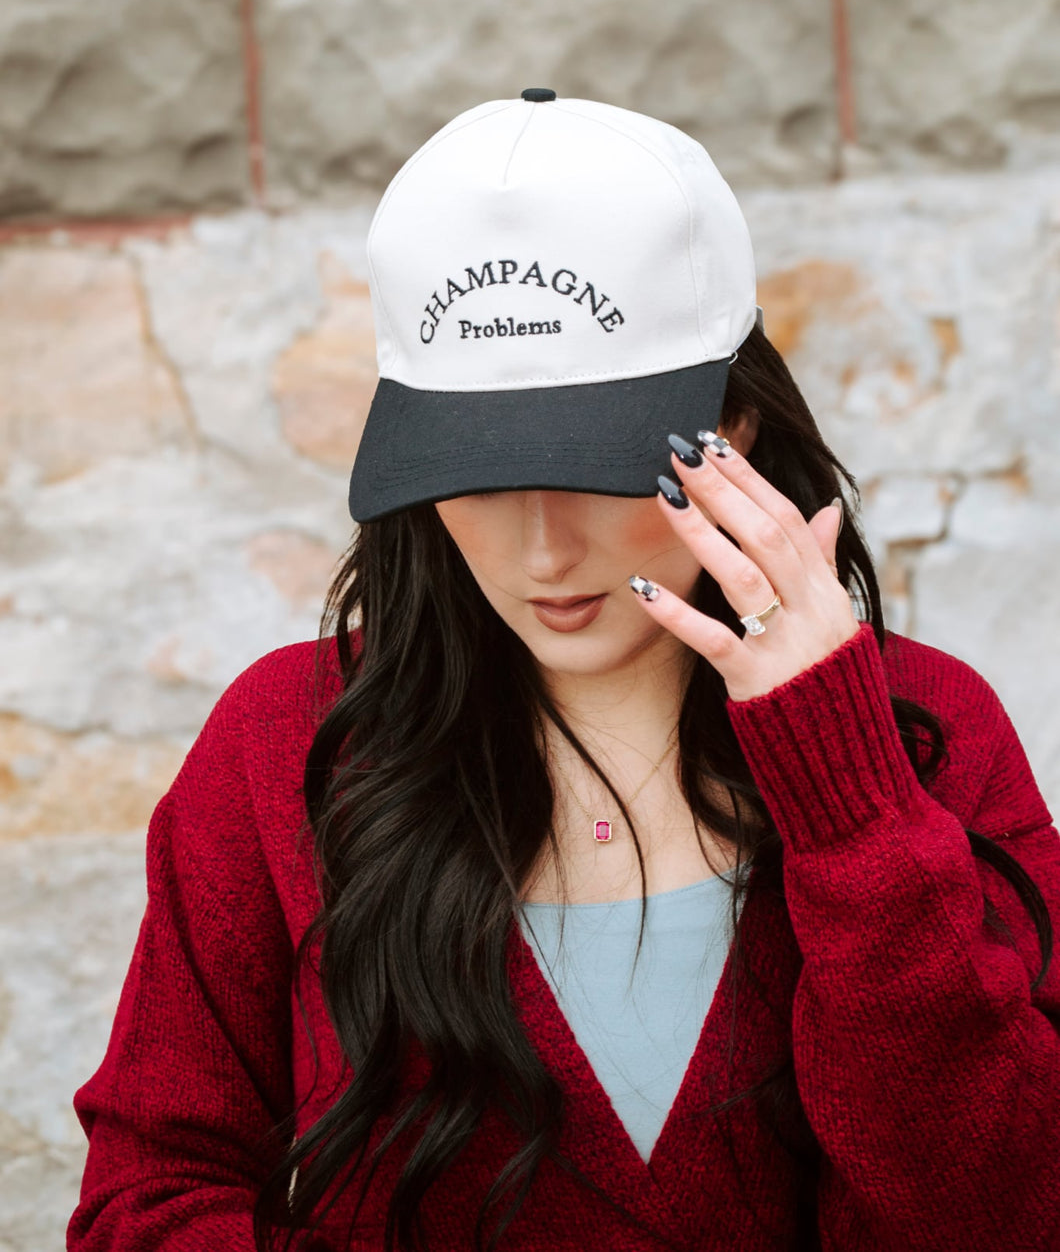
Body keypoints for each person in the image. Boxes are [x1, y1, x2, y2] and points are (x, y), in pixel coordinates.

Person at [67, 92, 1060, 1252]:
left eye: (598, 468)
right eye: (479, 472)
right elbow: (149, 1194)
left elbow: (1002, 1211)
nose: (542, 551)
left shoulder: (923, 730)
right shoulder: (283, 741)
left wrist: (847, 796)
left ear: (736, 424)